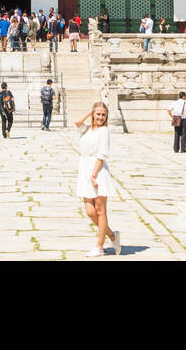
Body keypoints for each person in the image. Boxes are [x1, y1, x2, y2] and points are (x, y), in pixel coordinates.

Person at [76, 102, 121, 258]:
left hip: (98, 170)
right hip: (84, 168)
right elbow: (77, 123)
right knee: (90, 212)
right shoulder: (87, 129)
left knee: (100, 211)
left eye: (103, 115)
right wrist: (90, 113)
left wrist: (94, 175)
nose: (101, 117)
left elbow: (102, 154)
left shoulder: (104, 131)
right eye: (98, 114)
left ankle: (99, 246)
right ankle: (112, 236)